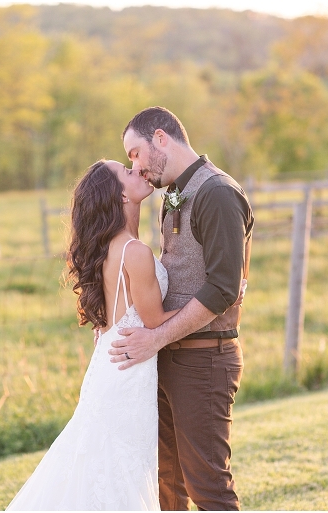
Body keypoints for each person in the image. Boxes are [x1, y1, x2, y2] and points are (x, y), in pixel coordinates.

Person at [6, 159, 176, 510]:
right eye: (127, 172)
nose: (138, 171)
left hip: (112, 368)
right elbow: (156, 320)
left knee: (106, 468)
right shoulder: (135, 252)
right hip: (126, 374)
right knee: (119, 471)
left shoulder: (111, 248)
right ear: (119, 197)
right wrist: (214, 302)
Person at [109, 106, 254, 511]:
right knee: (166, 486)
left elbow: (224, 288)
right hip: (167, 359)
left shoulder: (218, 193)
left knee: (208, 486)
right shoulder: (172, 195)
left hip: (205, 361)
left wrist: (154, 338)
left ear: (160, 138)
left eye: (135, 152)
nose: (134, 165)